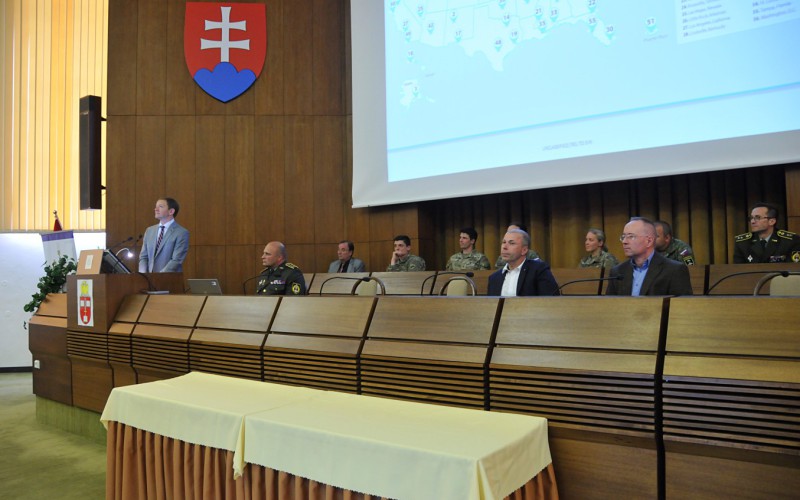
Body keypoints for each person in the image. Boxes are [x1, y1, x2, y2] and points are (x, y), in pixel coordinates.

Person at [606, 217, 693, 296]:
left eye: (631, 236)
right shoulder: (617, 271)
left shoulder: (674, 270)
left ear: (649, 241)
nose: (624, 241)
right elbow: (609, 305)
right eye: (623, 237)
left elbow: (682, 306)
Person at [487, 229, 559, 296]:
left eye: (511, 243)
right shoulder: (494, 278)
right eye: (503, 242)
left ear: (524, 250)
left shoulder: (538, 270)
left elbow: (551, 301)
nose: (504, 247)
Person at [733, 202, 800, 264]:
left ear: (772, 221)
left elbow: (794, 268)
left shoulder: (790, 241)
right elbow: (738, 269)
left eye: (757, 217)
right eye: (751, 218)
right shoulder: (742, 243)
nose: (752, 221)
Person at [138, 197, 189, 273]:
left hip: (169, 278)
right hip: (148, 278)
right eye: (156, 206)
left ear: (171, 211)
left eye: (160, 206)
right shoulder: (149, 230)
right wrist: (143, 275)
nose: (156, 209)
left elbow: (176, 260)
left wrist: (160, 276)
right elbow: (143, 257)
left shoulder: (181, 232)